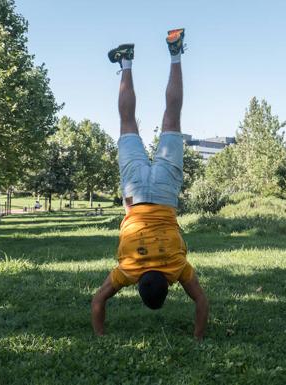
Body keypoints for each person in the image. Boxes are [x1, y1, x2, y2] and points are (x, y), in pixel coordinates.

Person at [92, 29, 209, 341]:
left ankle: (175, 51)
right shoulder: (127, 270)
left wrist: (199, 336)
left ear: (168, 287)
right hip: (134, 194)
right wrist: (99, 335)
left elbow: (201, 301)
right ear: (137, 285)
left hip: (166, 192)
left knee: (172, 118)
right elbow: (98, 300)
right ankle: (126, 61)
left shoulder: (177, 268)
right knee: (127, 122)